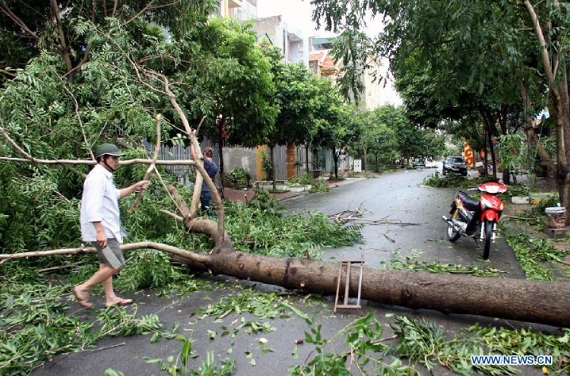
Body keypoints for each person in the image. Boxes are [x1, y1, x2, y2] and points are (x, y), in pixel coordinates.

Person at [73, 143, 149, 309]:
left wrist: (135, 187)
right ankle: (83, 288)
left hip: (107, 229)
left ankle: (110, 297)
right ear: (103, 158)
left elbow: (115, 195)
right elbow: (92, 207)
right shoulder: (97, 178)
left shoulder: (105, 176)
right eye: (114, 158)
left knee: (105, 263)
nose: (117, 161)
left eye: (117, 158)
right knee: (116, 263)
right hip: (104, 231)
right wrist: (100, 231)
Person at [191, 145, 218, 216]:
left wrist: (191, 144)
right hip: (208, 190)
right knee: (205, 210)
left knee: (207, 211)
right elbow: (213, 178)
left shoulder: (206, 163)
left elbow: (194, 156)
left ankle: (214, 223)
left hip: (204, 191)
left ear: (204, 154)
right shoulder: (214, 165)